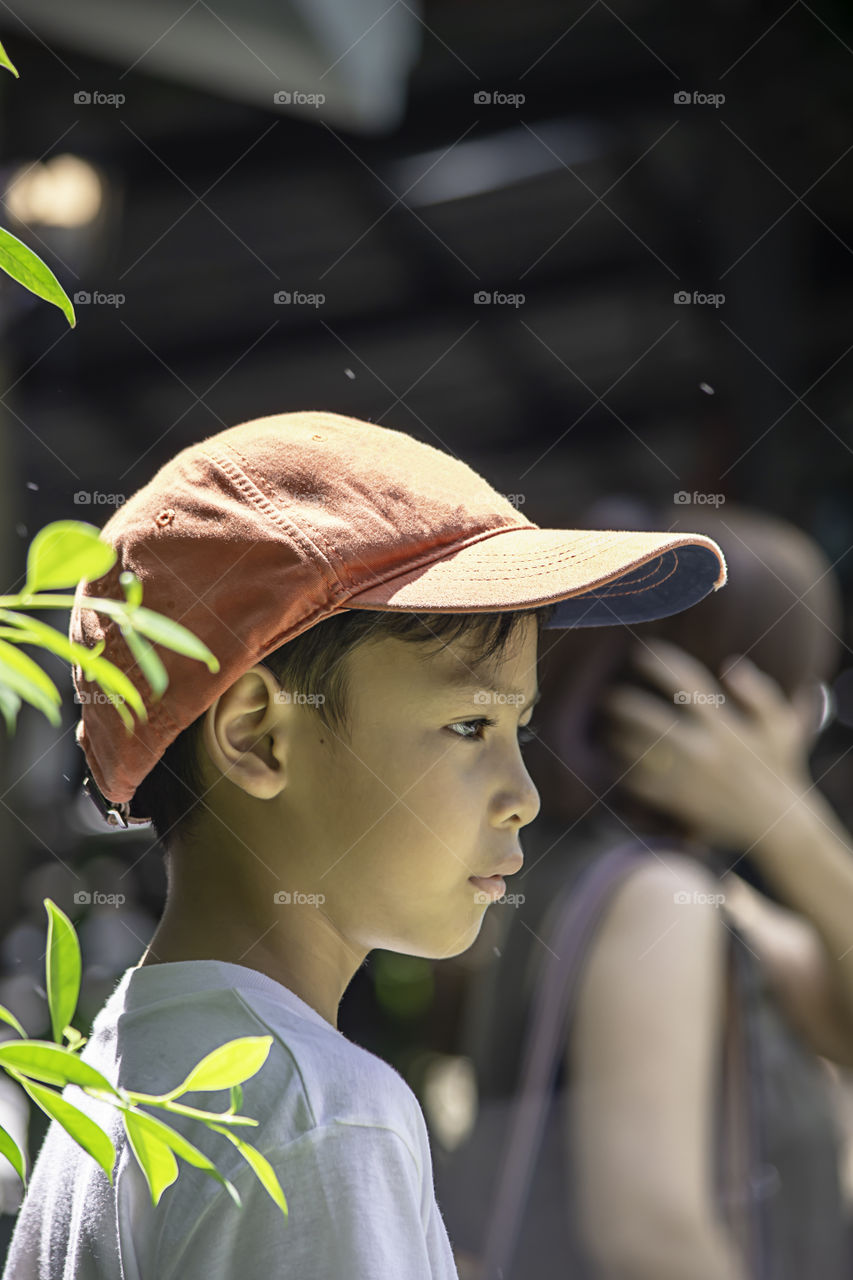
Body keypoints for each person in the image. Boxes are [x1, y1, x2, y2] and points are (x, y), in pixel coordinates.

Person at [0, 411, 727, 1280]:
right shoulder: (321, 1113)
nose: (524, 798)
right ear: (260, 737)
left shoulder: (108, 1079)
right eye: (468, 725)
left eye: (518, 732)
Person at [437, 498, 852, 1279]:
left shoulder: (639, 883)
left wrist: (781, 820)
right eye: (803, 687)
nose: (807, 719)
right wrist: (785, 810)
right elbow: (649, 1236)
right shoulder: (655, 899)